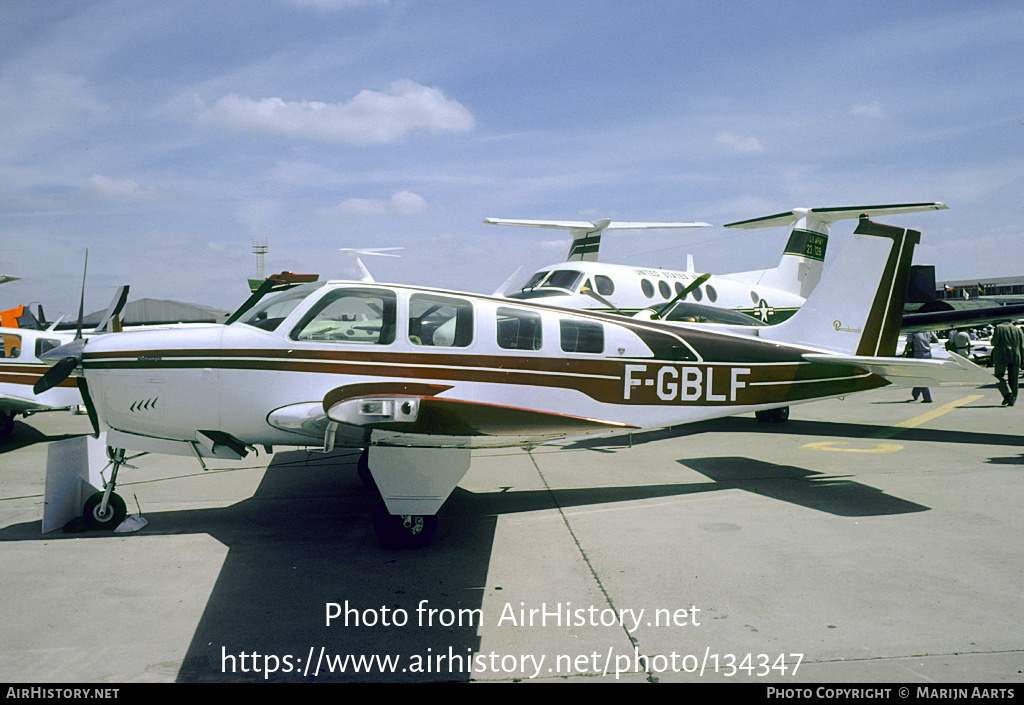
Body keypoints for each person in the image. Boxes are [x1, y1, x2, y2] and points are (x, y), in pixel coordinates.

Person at [991, 320, 1024, 407]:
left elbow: (994, 342)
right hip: (1016, 356)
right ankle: (1013, 400)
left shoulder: (999, 328)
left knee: (998, 376)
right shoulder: (1018, 330)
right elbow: (1022, 346)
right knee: (1014, 379)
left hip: (1001, 356)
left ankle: (1007, 395)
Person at [904, 330, 937, 402]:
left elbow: (909, 343)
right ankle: (915, 393)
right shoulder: (929, 330)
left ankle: (927, 397)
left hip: (918, 353)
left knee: (920, 375)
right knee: (923, 374)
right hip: (928, 353)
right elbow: (936, 340)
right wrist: (926, 341)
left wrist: (904, 353)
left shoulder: (913, 331)